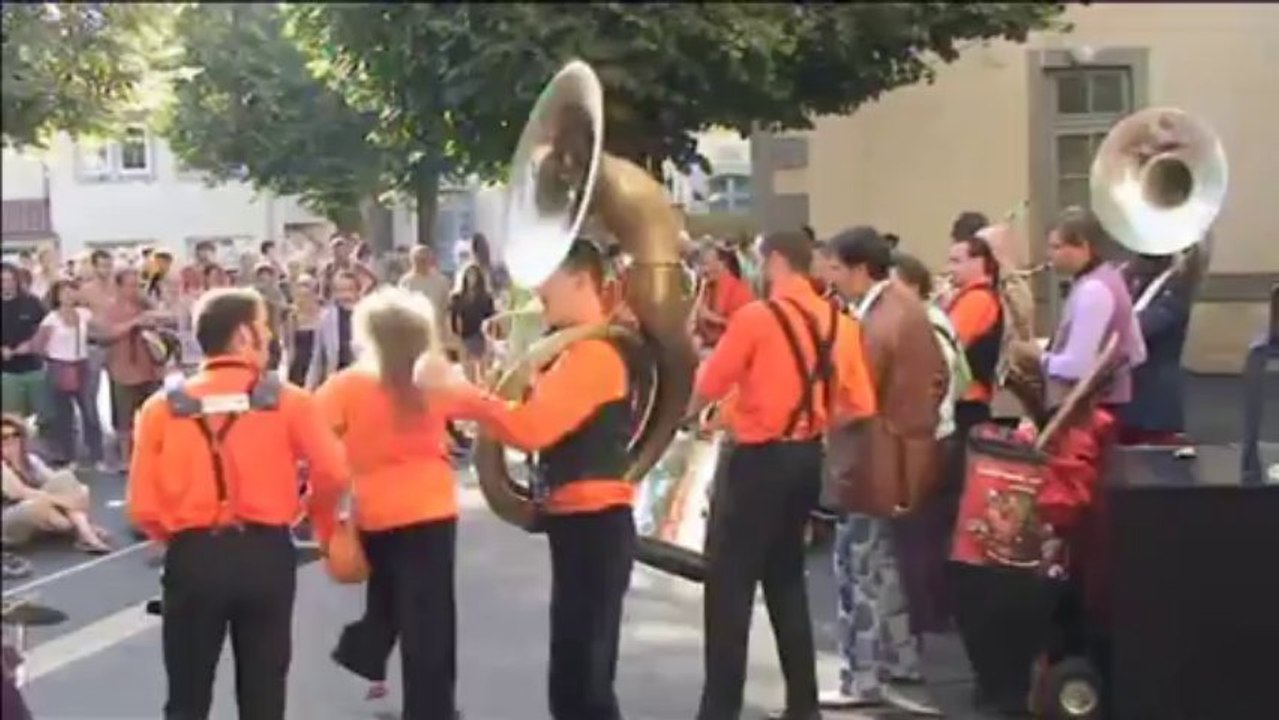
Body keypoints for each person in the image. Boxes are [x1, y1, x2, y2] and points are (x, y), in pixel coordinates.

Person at [422, 239, 638, 720]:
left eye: (549, 278)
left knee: (584, 685)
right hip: (581, 522)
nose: (538, 289)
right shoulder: (573, 351)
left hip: (595, 524)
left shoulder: (593, 356)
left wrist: (464, 397)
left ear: (583, 279)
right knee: (575, 678)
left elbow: (533, 428)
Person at [127, 287, 350, 720]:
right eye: (264, 327)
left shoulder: (160, 408)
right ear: (244, 335)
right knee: (264, 695)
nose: (269, 336)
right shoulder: (288, 401)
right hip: (266, 553)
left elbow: (142, 507)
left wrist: (176, 533)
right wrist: (313, 516)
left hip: (193, 556)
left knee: (187, 697)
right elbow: (335, 473)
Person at [687, 230, 878, 720]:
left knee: (728, 586)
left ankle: (719, 711)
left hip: (754, 462)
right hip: (804, 457)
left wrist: (695, 416)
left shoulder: (755, 317)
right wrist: (806, 417)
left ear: (774, 260)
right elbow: (858, 404)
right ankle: (803, 707)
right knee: (786, 581)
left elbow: (709, 383)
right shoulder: (840, 322)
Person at [318, 288, 465, 719]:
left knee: (390, 591)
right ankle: (431, 709)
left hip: (377, 510)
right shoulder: (438, 382)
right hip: (434, 508)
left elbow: (315, 439)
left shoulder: (347, 386)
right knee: (431, 618)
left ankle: (364, 647)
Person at [819, 228, 948, 715]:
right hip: (900, 454)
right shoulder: (902, 307)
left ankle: (862, 677)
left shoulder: (877, 321)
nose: (829, 278)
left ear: (857, 269)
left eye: (833, 268)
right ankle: (901, 659)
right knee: (885, 566)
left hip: (875, 460)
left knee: (857, 571)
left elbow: (853, 395)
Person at [2, 414, 111, 553]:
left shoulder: (29, 459)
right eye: (4, 437)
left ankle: (86, 534)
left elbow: (58, 482)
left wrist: (68, 496)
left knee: (69, 480)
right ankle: (83, 527)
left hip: (38, 510)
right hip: (8, 520)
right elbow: (19, 493)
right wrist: (65, 501)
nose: (11, 439)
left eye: (15, 434)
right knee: (37, 505)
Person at [34, 279, 105, 469]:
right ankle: (68, 456)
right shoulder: (51, 319)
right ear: (56, 296)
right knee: (63, 414)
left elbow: (100, 329)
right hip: (60, 365)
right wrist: (53, 358)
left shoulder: (84, 315)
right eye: (63, 292)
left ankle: (97, 455)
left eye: (71, 291)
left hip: (82, 364)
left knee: (89, 411)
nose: (68, 295)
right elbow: (38, 345)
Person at [1, 263, 48, 422]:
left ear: (17, 281)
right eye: (2, 280)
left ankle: (41, 446)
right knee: (12, 418)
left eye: (9, 280)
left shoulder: (31, 302)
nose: (6, 284)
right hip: (7, 372)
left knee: (44, 416)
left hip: (34, 368)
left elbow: (47, 328)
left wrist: (32, 344)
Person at [305, 270, 361, 389]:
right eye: (340, 290)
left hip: (362, 382)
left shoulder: (367, 314)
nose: (345, 295)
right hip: (336, 381)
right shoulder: (326, 318)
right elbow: (317, 358)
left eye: (349, 289)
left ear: (357, 291)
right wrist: (309, 389)